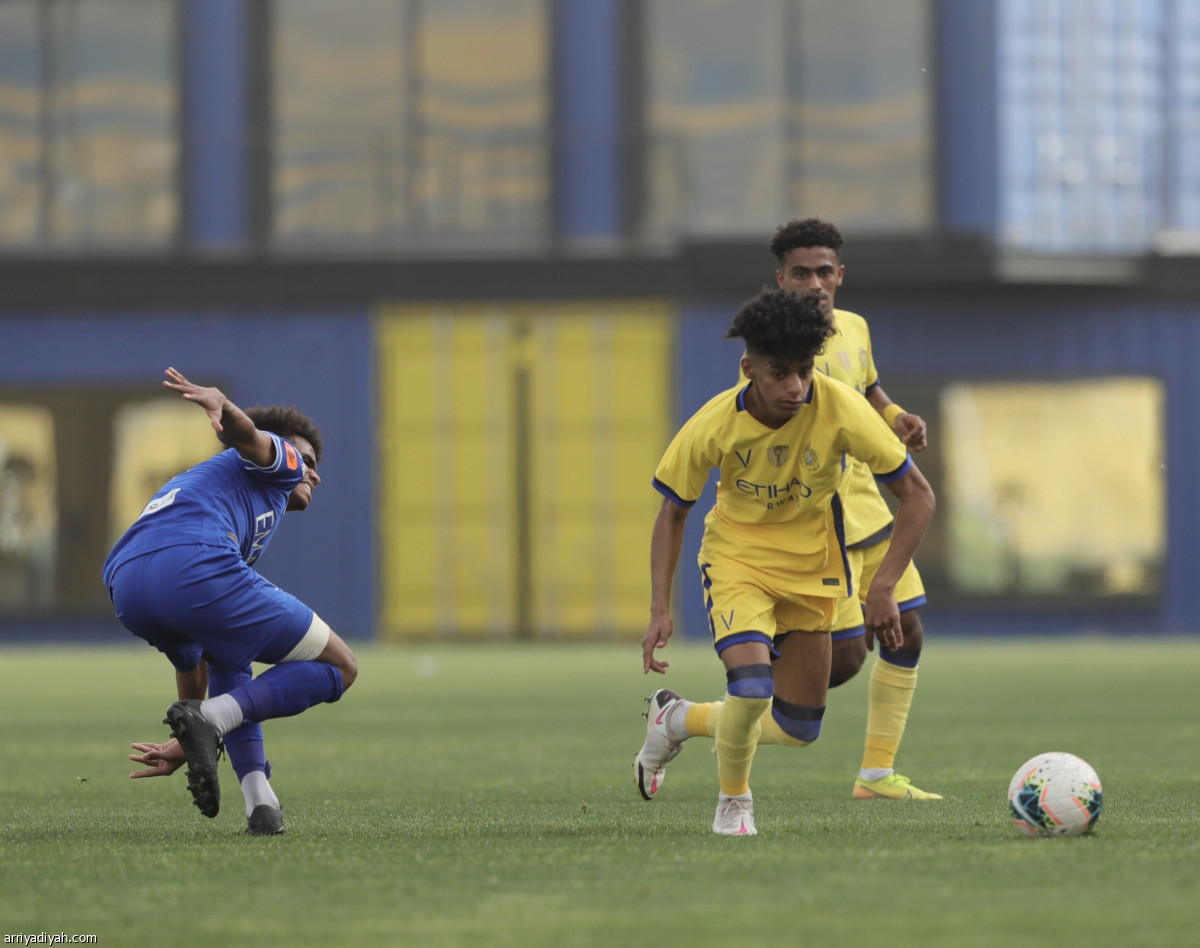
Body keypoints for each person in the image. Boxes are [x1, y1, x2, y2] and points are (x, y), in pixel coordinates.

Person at [634, 288, 934, 835]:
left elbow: (918, 495)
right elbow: (672, 514)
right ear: (749, 368)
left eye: (804, 371)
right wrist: (659, 609)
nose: (796, 387)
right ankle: (733, 803)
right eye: (780, 374)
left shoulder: (840, 406)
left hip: (812, 569)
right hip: (738, 561)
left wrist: (884, 586)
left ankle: (676, 718)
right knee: (750, 687)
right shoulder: (713, 424)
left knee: (798, 727)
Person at [103, 367, 358, 835]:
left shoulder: (216, 488)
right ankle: (216, 720)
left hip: (126, 580)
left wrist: (189, 738)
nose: (313, 473)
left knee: (226, 658)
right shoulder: (272, 462)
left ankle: (260, 802)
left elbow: (190, 664)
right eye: (308, 459)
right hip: (194, 561)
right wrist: (224, 404)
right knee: (341, 667)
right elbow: (250, 436)